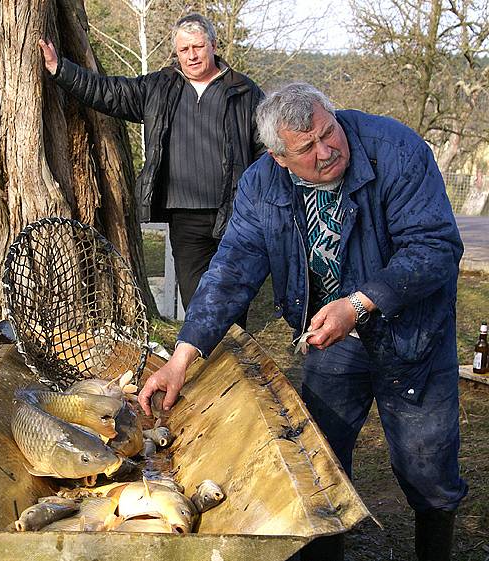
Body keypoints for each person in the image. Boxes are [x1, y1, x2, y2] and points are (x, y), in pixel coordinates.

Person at [139, 83, 467, 560]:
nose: (327, 150)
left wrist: (359, 303)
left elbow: (436, 247)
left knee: (427, 469)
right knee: (318, 464)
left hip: (412, 333)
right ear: (279, 158)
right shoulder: (260, 186)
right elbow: (231, 272)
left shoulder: (396, 150)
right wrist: (183, 355)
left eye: (328, 132)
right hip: (332, 342)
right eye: (307, 147)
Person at [39, 13, 264, 317]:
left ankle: (237, 363)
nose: (192, 55)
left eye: (197, 46)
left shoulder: (245, 92)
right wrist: (58, 69)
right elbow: (108, 92)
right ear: (177, 52)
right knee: (196, 302)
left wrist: (260, 203)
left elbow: (267, 151)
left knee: (233, 298)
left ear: (212, 45)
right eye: (184, 50)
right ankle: (206, 360)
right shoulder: (159, 87)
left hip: (234, 214)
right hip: (184, 217)